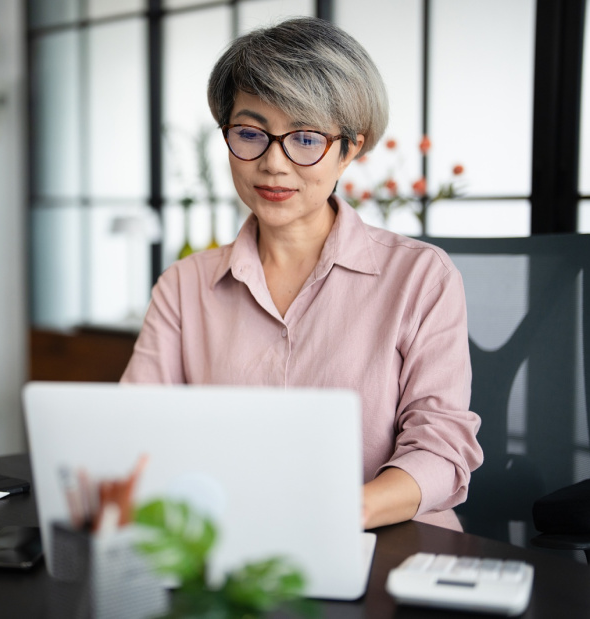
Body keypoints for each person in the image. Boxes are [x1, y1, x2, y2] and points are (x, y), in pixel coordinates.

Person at [120, 17, 483, 531]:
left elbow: (441, 451)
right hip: (231, 542)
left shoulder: (421, 277)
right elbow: (134, 432)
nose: (273, 163)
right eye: (249, 133)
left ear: (350, 148)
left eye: (306, 139)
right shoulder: (183, 286)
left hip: (388, 543)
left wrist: (336, 514)